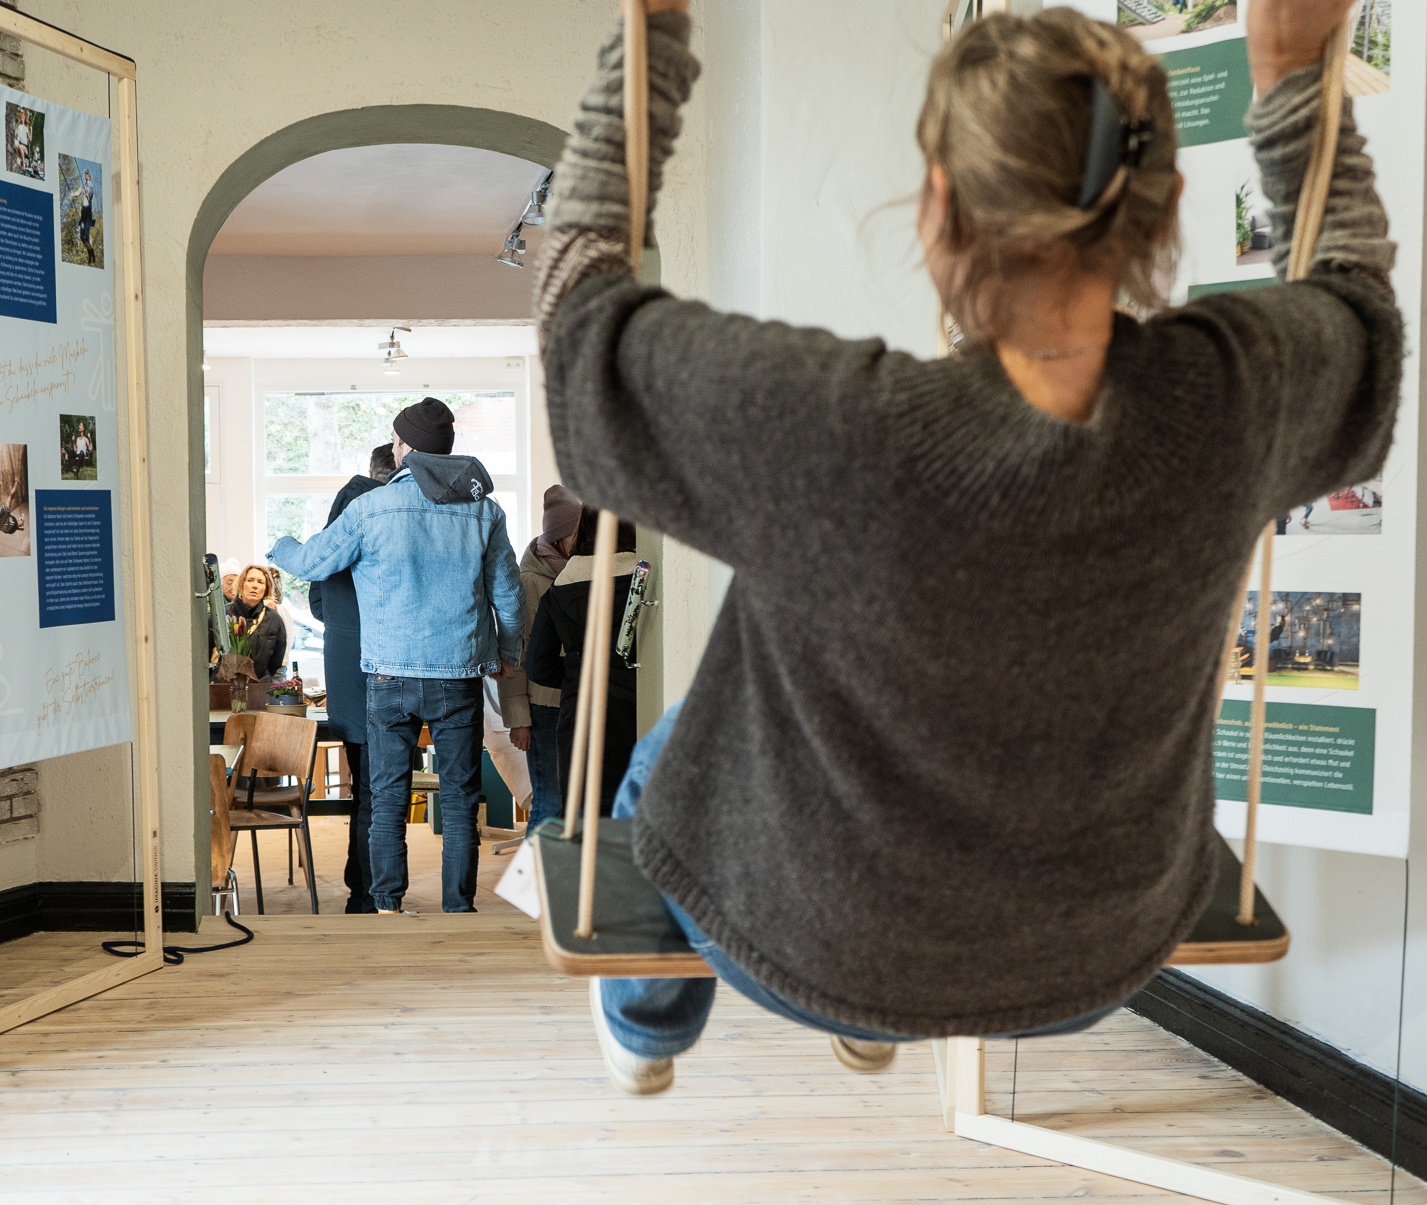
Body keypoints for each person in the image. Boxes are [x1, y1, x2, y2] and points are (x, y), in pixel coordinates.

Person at [537, 0, 1398, 1093]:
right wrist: (1290, 80)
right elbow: (1357, 305)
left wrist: (651, 34)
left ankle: (650, 1031)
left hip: (809, 945)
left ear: (936, 205)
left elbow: (577, 313)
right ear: (1165, 205)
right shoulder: (1231, 400)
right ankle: (876, 1022)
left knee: (672, 751)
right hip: (1092, 956)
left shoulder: (820, 426)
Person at [269, 398, 525, 914]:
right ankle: (458, 907)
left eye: (397, 439)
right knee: (458, 798)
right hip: (458, 674)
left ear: (405, 449)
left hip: (388, 675)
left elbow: (312, 560)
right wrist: (508, 652)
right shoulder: (484, 510)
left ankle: (386, 904)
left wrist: (280, 545)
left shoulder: (370, 508)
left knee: (386, 796)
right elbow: (510, 595)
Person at [308, 443, 397, 913]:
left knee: (362, 786)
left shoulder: (337, 523)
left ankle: (359, 883)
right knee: (380, 793)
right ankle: (369, 892)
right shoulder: (381, 520)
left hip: (345, 678)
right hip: (383, 672)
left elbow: (317, 603)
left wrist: (344, 632)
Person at [528, 508, 638, 818]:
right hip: (637, 710)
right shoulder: (645, 578)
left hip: (581, 716)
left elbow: (537, 664)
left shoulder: (562, 586)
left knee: (584, 814)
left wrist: (577, 673)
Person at [497, 485, 583, 828]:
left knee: (570, 803)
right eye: (579, 533)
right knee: (550, 801)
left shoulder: (580, 573)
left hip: (574, 700)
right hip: (544, 708)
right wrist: (519, 717)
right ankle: (531, 882)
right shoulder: (529, 581)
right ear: (562, 537)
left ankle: (558, 880)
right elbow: (514, 650)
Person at [228, 564, 287, 681]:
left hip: (260, 687)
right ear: (241, 584)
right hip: (224, 687)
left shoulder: (273, 619)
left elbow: (276, 660)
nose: (255, 585)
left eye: (260, 582)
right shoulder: (223, 614)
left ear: (266, 589)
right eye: (250, 580)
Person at [77, 168, 97, 265]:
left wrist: (88, 195)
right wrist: (73, 194)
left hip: (88, 212)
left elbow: (91, 194)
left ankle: (91, 251)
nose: (86, 174)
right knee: (82, 237)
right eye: (85, 173)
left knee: (86, 235)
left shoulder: (90, 186)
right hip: (83, 212)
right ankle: (90, 252)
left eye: (87, 173)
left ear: (89, 176)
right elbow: (77, 192)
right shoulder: (83, 186)